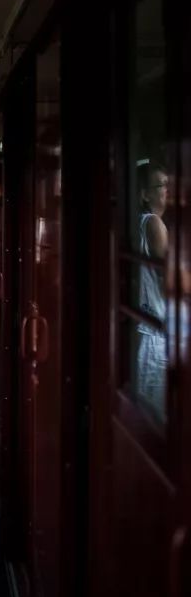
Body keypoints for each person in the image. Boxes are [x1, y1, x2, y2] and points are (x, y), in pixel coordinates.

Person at [135, 161, 168, 419]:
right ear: (145, 194)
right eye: (161, 185)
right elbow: (171, 275)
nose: (167, 190)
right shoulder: (154, 222)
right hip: (155, 337)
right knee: (153, 417)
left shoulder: (142, 222)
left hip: (152, 332)